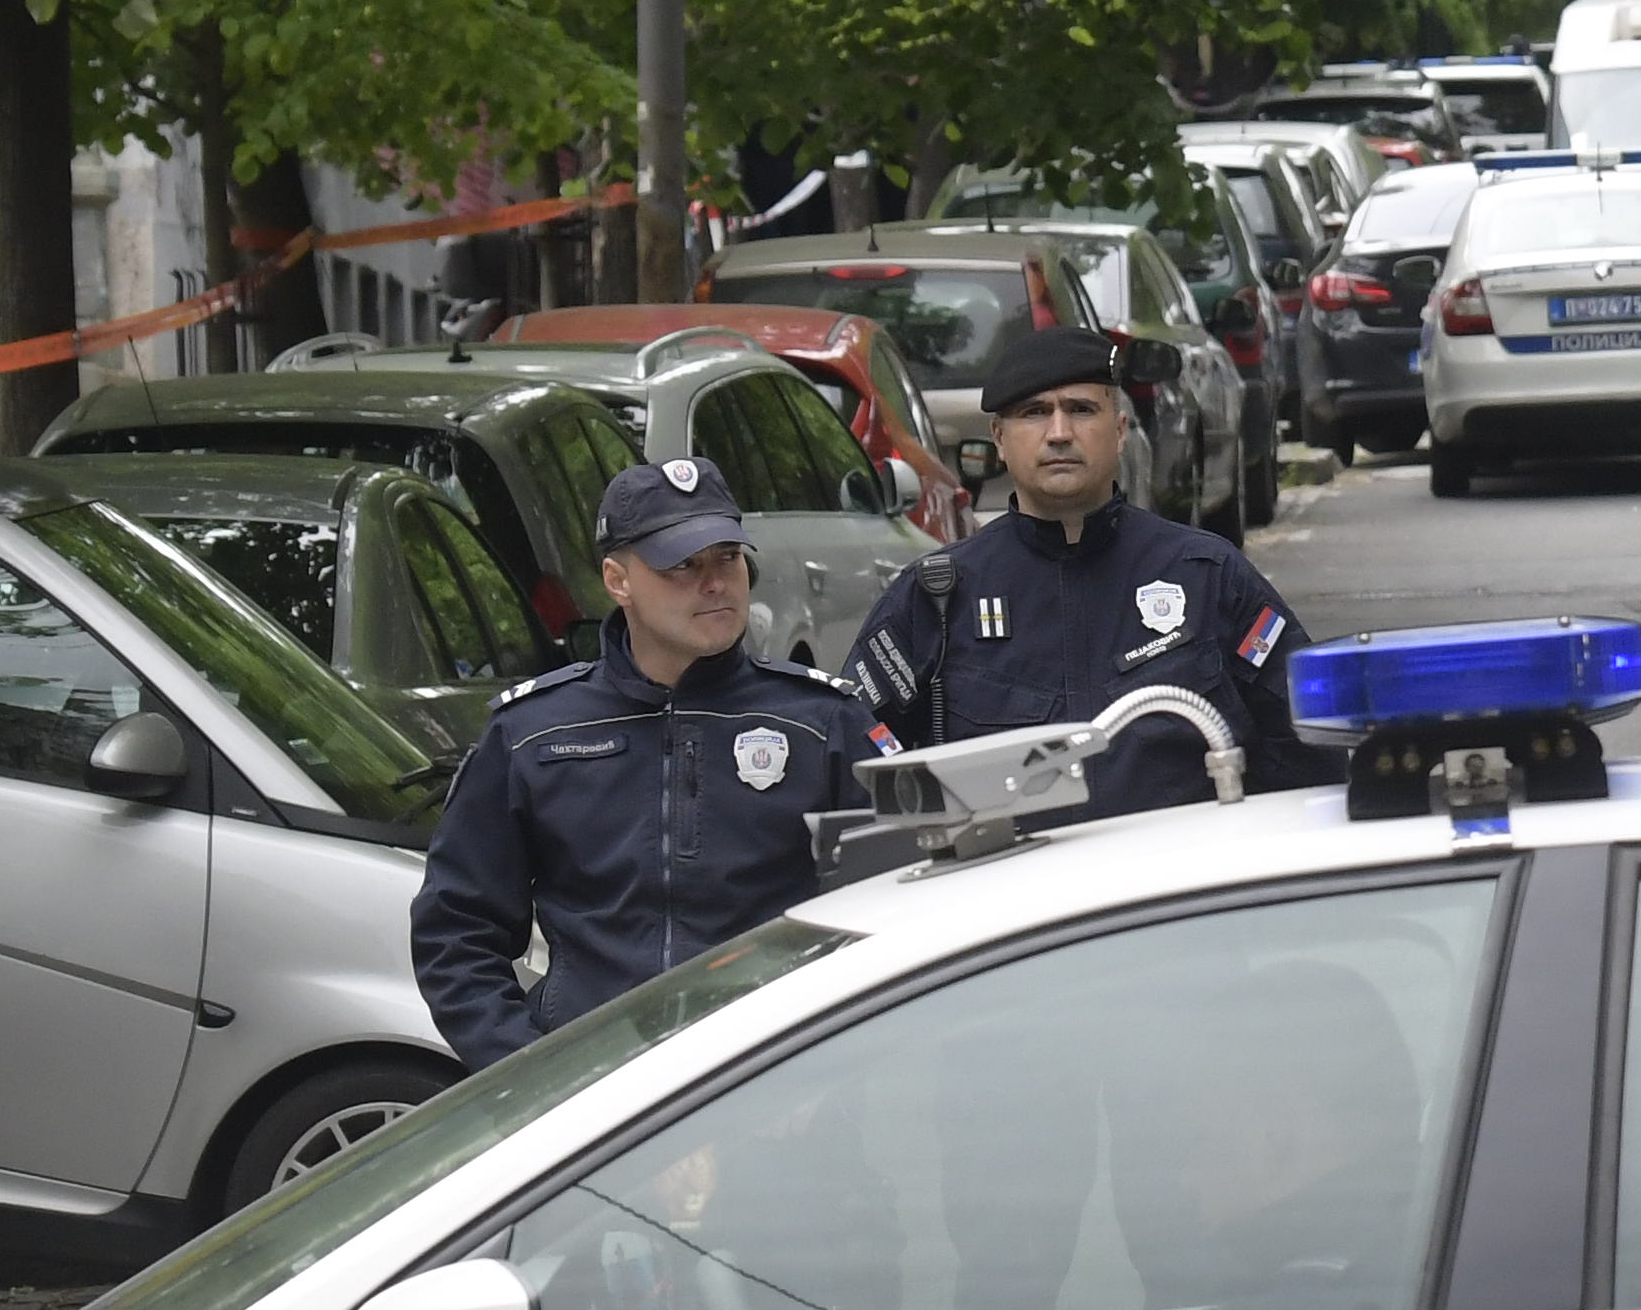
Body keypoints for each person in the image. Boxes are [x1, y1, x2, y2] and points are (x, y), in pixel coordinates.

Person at [418, 456, 882, 1064]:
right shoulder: (534, 733)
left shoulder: (823, 722)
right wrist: (527, 1072)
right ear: (618, 581)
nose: (714, 582)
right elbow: (456, 931)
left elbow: (889, 909)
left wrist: (829, 1060)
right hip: (599, 1089)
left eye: (727, 557)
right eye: (682, 565)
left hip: (779, 1078)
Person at [848, 309, 1315, 807]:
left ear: (1118, 430)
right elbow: (857, 766)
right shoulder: (937, 597)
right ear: (999, 439)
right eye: (1033, 412)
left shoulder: (1208, 577)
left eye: (1081, 409)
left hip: (1180, 874)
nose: (1059, 432)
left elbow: (1306, 743)